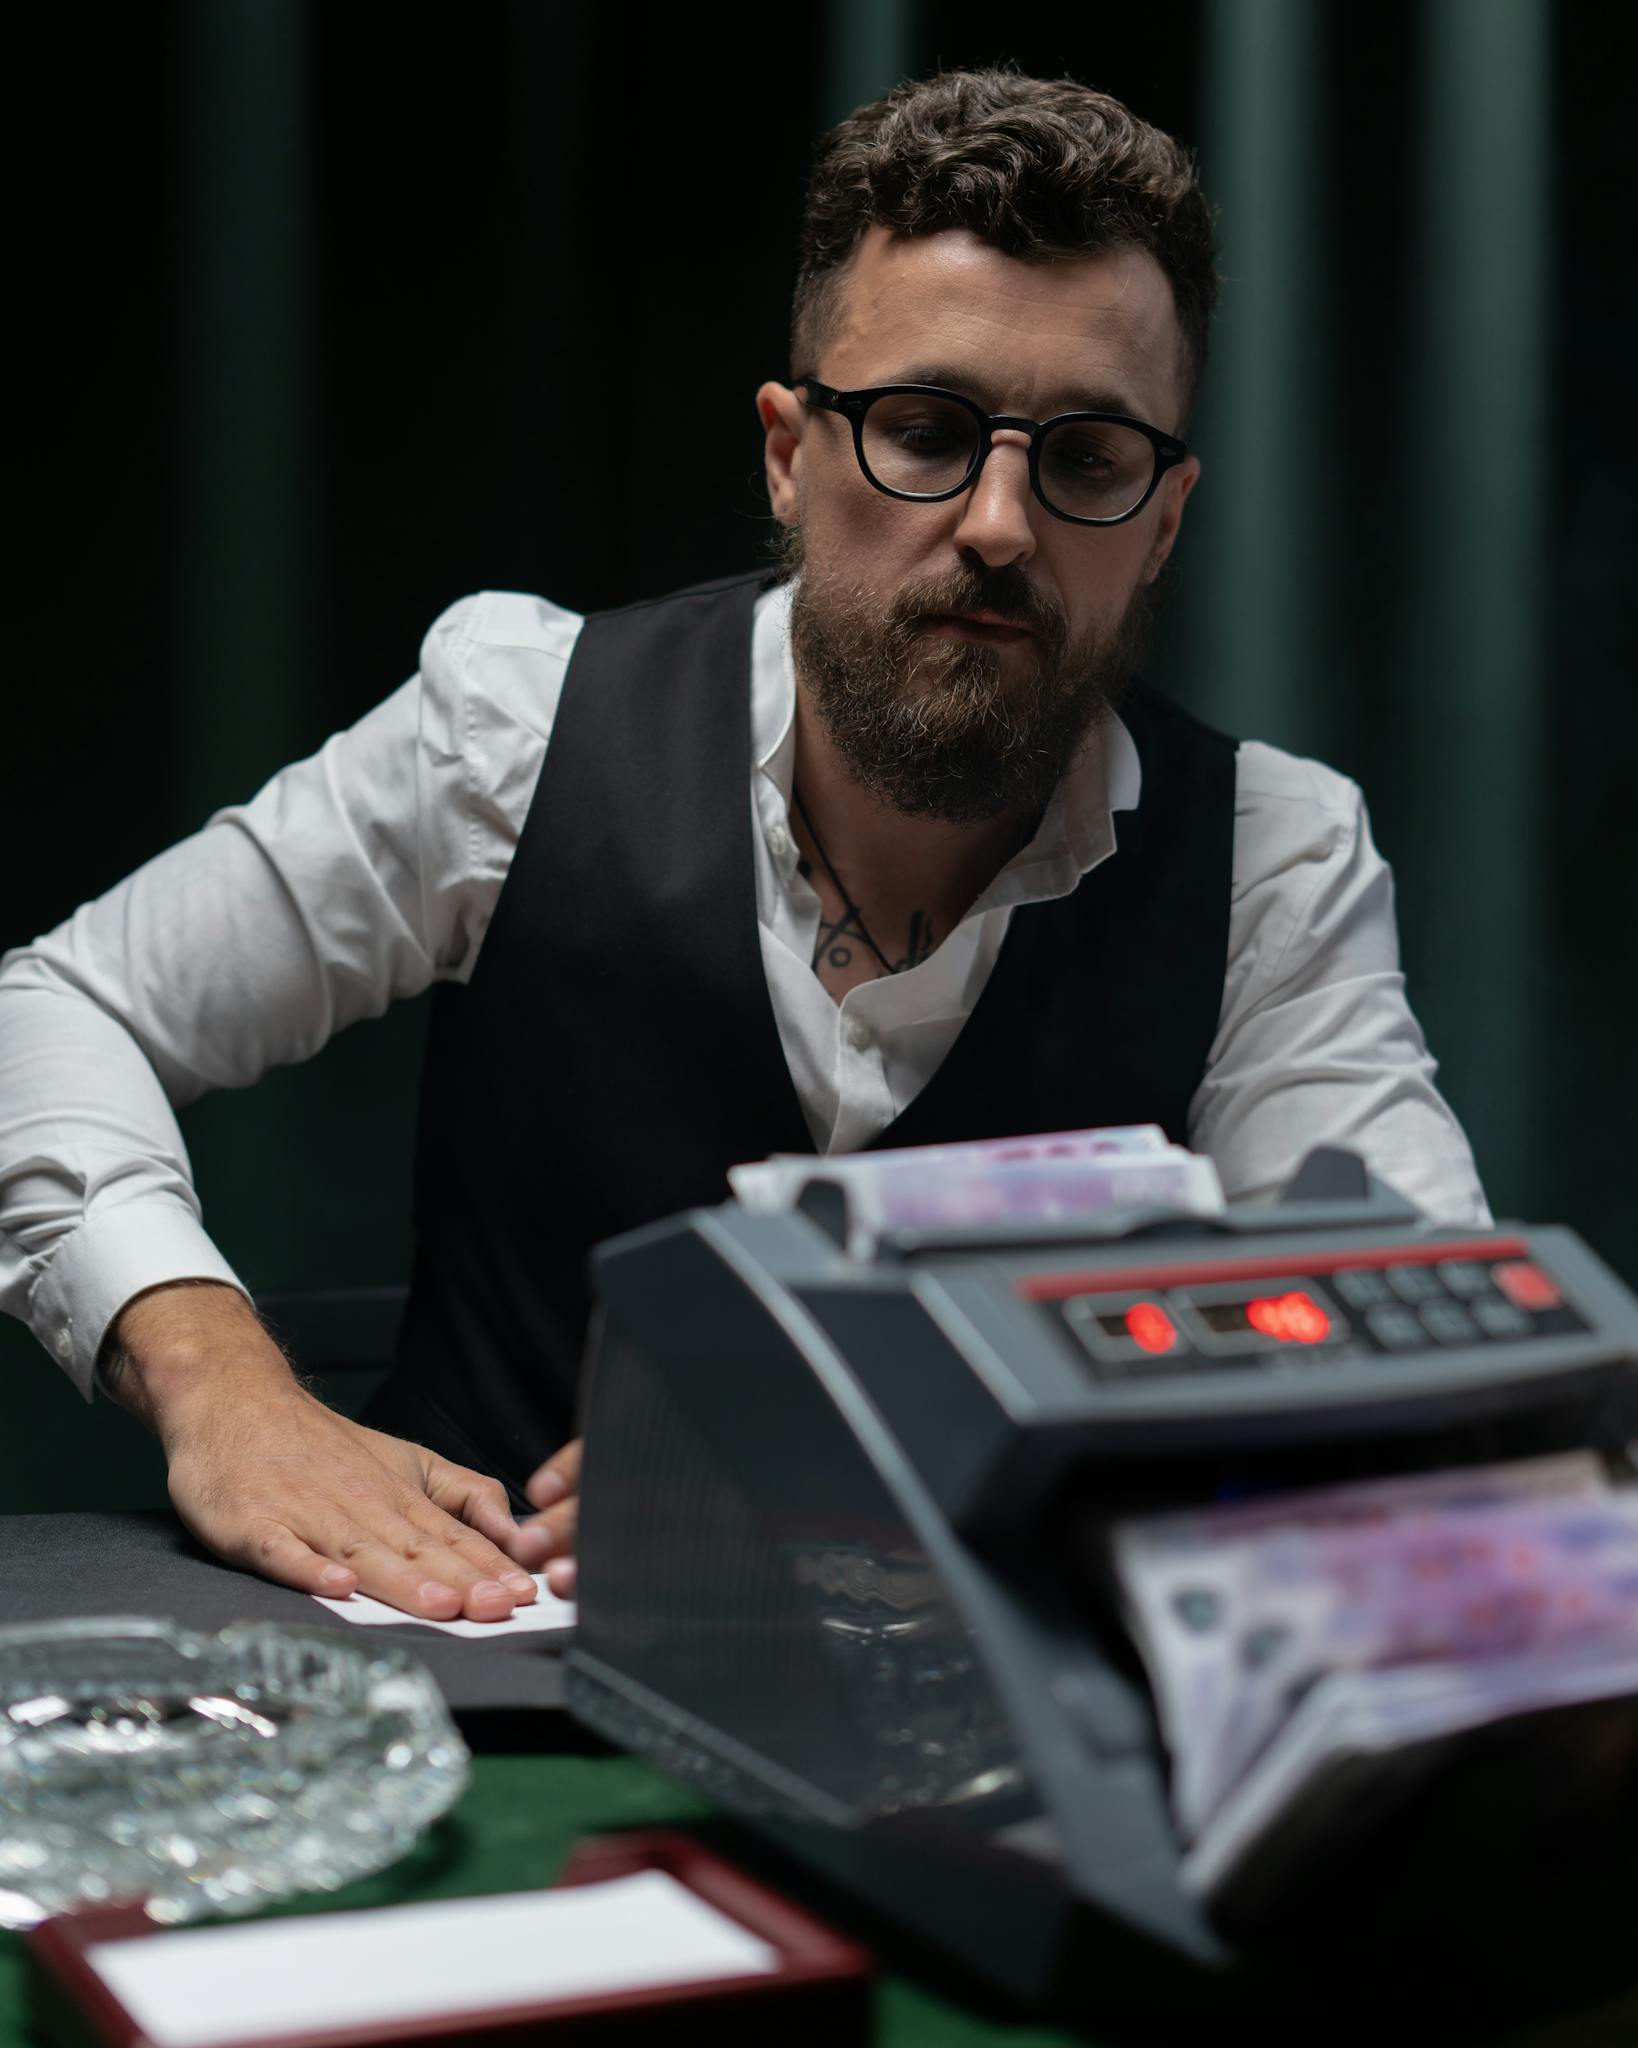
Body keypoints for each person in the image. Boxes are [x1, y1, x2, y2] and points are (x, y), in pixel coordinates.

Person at [0, 67, 1489, 1622]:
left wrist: (986, 1456)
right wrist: (217, 1380)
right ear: (788, 453)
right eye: (922, 430)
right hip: (464, 1676)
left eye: (1088, 459)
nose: (997, 524)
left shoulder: (1268, 860)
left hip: (984, 1743)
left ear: (1163, 519)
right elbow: (52, 1007)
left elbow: (1421, 1360)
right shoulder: (515, 724)